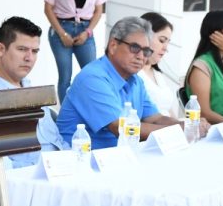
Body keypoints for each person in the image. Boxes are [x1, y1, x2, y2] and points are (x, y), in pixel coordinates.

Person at [56, 16, 182, 149]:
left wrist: (185, 125)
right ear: (113, 46)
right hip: (80, 159)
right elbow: (120, 127)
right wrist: (177, 131)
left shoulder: (136, 81)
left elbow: (155, 119)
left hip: (116, 157)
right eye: (134, 48)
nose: (140, 56)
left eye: (146, 51)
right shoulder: (92, 78)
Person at [0, 16, 44, 192]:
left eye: (35, 51)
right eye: (22, 49)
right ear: (0, 49)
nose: (29, 58)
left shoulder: (38, 96)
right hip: (13, 195)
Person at [41, 0, 106, 102]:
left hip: (85, 30)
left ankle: (91, 108)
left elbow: (99, 9)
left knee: (91, 73)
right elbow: (48, 9)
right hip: (61, 28)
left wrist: (88, 32)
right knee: (65, 76)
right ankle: (65, 113)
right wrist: (62, 34)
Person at [138, 12, 184, 118]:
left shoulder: (158, 74)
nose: (165, 48)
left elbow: (169, 111)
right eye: (161, 40)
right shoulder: (134, 75)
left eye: (167, 42)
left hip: (166, 129)